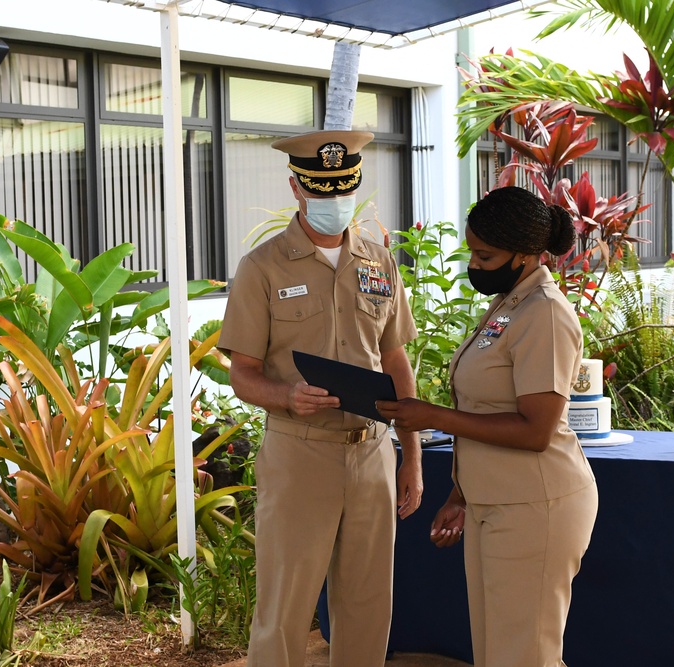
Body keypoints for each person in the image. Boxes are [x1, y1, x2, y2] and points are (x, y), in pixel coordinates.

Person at [217, 129, 423, 667]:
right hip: (299, 450)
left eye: (343, 190)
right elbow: (243, 372)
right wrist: (286, 395)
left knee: (368, 601)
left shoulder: (379, 261)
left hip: (373, 449)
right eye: (322, 192)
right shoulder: (262, 268)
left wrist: (413, 455)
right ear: (296, 187)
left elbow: (395, 359)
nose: (335, 203)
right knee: (285, 605)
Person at [376, 186, 598, 667]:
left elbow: (535, 431)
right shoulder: (510, 302)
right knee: (500, 652)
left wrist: (431, 416)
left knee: (526, 655)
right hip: (493, 502)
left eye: (485, 255)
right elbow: (484, 405)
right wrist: (462, 495)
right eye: (472, 252)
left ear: (525, 254)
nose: (474, 265)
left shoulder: (545, 313)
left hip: (534, 504)